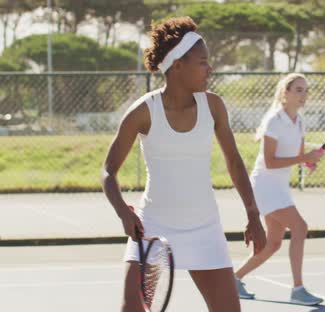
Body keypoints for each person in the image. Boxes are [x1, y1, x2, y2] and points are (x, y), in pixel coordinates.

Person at [101, 16, 266, 312]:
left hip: (205, 228)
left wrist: (253, 213)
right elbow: (108, 172)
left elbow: (234, 161)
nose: (210, 69)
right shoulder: (143, 112)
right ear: (177, 65)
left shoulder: (213, 106)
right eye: (203, 62)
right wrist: (122, 213)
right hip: (151, 227)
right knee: (132, 310)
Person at [234, 73, 324, 305]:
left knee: (273, 244)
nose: (304, 95)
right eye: (298, 90)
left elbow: (298, 156)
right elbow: (271, 161)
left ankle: (234, 280)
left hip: (280, 187)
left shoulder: (300, 121)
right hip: (264, 186)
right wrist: (304, 156)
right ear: (285, 93)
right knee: (300, 227)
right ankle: (298, 289)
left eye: (306, 90)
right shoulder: (274, 121)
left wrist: (310, 161)